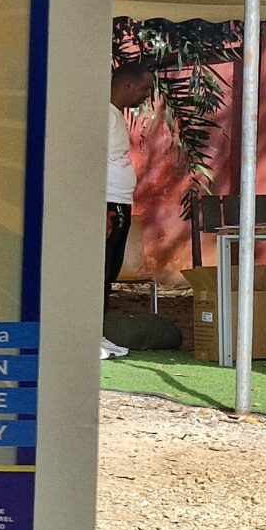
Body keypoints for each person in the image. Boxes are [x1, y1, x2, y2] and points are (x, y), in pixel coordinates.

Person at [106, 64, 152, 360]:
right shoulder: (102, 114)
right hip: (107, 204)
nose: (146, 95)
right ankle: (87, 337)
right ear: (126, 86)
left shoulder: (114, 115)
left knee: (108, 273)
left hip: (120, 202)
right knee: (99, 272)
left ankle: (96, 334)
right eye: (144, 89)